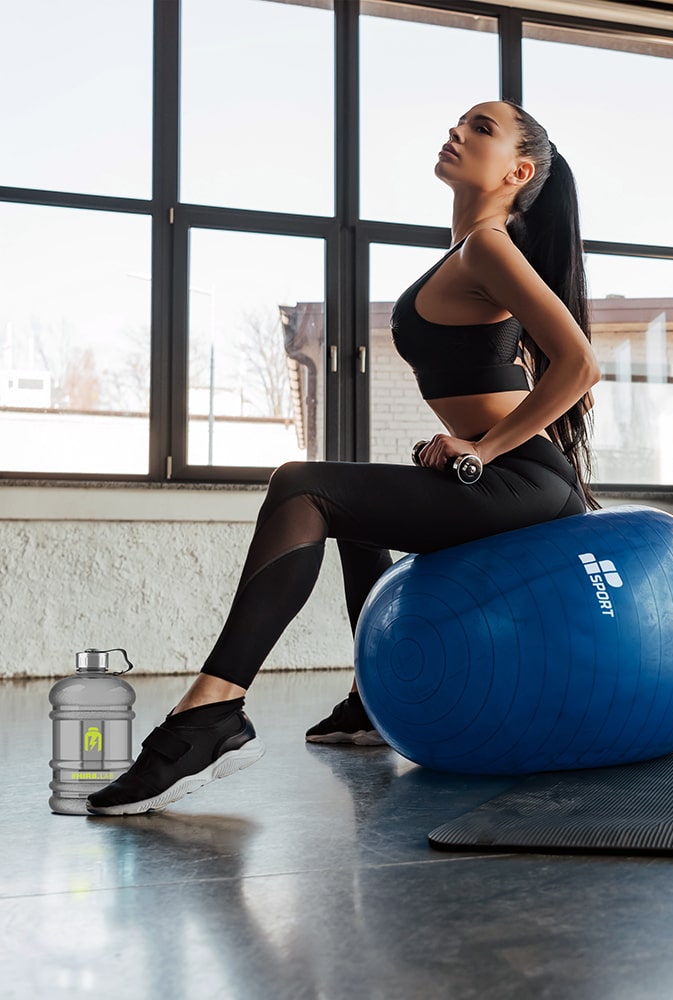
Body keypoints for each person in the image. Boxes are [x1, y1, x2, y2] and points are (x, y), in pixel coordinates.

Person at [87, 99, 601, 816]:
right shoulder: (468, 249)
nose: (456, 131)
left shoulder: (489, 246)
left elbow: (578, 365)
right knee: (351, 505)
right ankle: (369, 702)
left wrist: (483, 448)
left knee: (304, 486)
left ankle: (211, 714)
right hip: (510, 474)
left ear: (518, 170)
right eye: (458, 120)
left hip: (523, 478)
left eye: (480, 128)